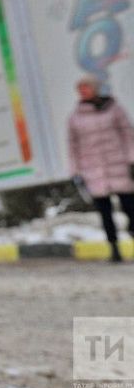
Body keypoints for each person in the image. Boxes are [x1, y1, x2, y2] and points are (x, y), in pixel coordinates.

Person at [68, 74, 134, 262]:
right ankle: (114, 248)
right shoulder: (75, 118)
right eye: (80, 89)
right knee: (105, 213)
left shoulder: (113, 109)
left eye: (86, 87)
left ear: (95, 88)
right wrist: (76, 171)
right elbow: (72, 146)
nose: (83, 92)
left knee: (130, 207)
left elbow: (127, 133)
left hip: (118, 165)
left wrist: (131, 159)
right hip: (93, 171)